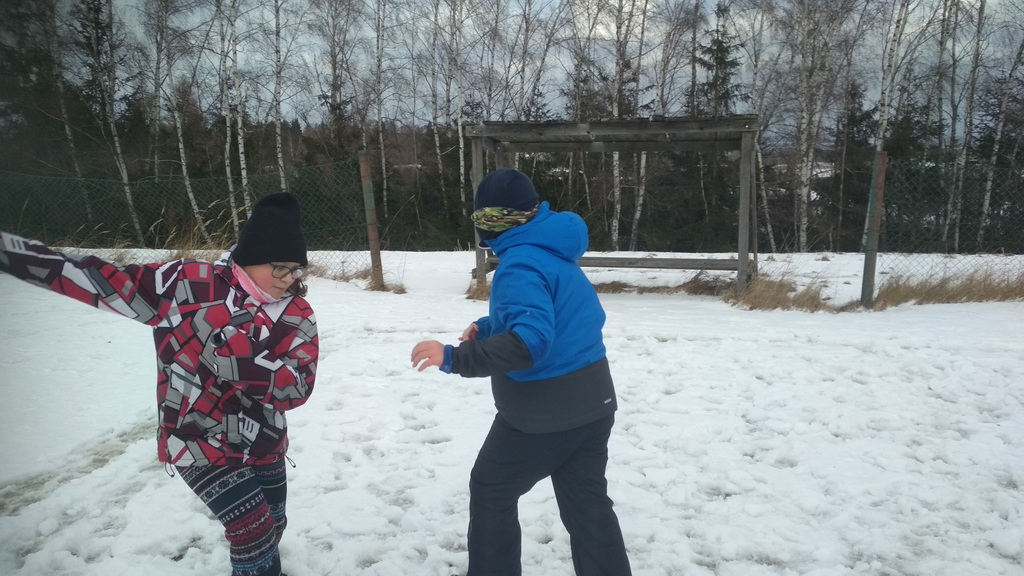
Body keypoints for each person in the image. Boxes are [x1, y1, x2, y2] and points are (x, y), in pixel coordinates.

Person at [0, 192, 318, 576]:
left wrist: (237, 356)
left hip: (264, 440)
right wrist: (12, 254)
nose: (289, 279)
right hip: (197, 439)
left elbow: (296, 388)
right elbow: (99, 280)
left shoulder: (296, 314)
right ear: (250, 257)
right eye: (280, 268)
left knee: (273, 522)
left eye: (296, 270)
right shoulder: (185, 285)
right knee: (253, 530)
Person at [410, 168, 632, 576]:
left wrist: (453, 357)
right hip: (594, 403)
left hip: (542, 415)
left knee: (491, 488)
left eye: (484, 219)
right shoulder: (552, 249)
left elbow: (531, 342)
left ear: (496, 221)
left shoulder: (519, 263)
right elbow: (556, 315)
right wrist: (489, 326)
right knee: (587, 505)